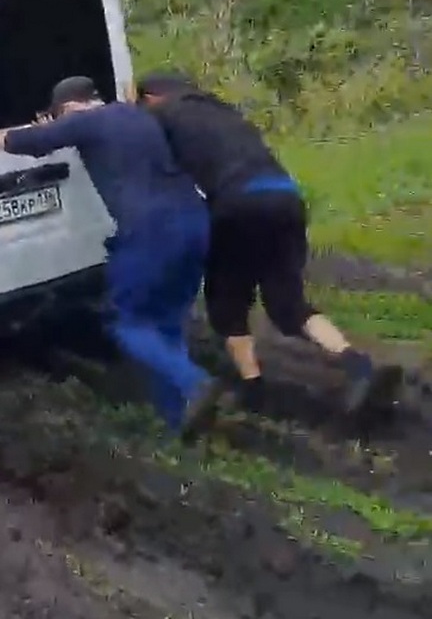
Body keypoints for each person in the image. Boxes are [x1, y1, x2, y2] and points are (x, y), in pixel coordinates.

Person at [0, 76, 223, 438]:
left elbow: (31, 141)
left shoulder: (86, 121)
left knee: (126, 322)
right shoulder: (135, 115)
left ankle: (194, 384)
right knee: (165, 322)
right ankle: (180, 422)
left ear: (70, 107)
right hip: (195, 222)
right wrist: (61, 129)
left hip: (151, 230)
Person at [135, 71, 399, 415]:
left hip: (238, 204)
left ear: (152, 96)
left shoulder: (160, 115)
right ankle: (358, 366)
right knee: (287, 304)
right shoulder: (223, 110)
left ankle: (254, 390)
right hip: (285, 197)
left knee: (227, 306)